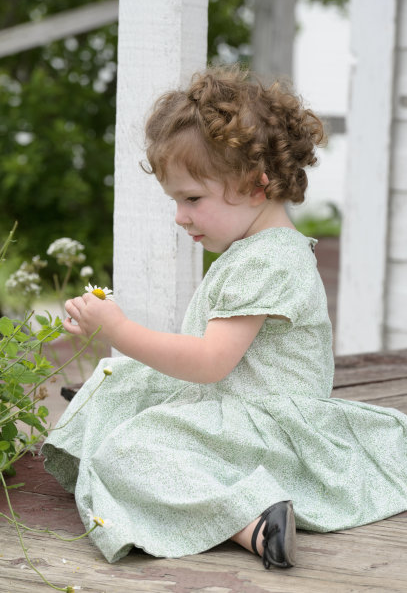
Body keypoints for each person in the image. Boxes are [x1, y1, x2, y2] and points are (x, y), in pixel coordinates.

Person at [42, 66, 407, 570]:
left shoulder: (267, 260)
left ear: (256, 185)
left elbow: (212, 362)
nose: (180, 216)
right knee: (115, 380)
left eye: (192, 199)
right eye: (176, 200)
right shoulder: (254, 249)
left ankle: (252, 521)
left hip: (267, 435)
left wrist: (119, 332)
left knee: (127, 450)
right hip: (236, 412)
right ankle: (125, 454)